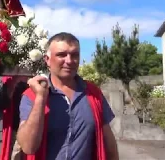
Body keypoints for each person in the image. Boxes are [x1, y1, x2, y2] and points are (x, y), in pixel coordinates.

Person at [16, 32, 119, 160]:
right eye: (61, 55)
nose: (69, 61)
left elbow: (108, 140)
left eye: (74, 55)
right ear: (47, 60)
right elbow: (28, 147)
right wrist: (41, 98)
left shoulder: (93, 94)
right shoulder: (31, 95)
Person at [0, 76, 28, 160]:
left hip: (30, 127)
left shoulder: (34, 80)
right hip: (15, 128)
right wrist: (12, 85)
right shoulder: (6, 81)